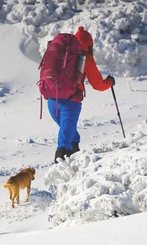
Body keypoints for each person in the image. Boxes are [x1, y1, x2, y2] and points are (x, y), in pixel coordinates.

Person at [48, 26, 115, 163]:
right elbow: (98, 85)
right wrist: (110, 82)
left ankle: (75, 164)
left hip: (52, 99)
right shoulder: (85, 58)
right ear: (89, 45)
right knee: (65, 142)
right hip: (70, 102)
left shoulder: (61, 52)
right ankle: (61, 168)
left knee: (68, 132)